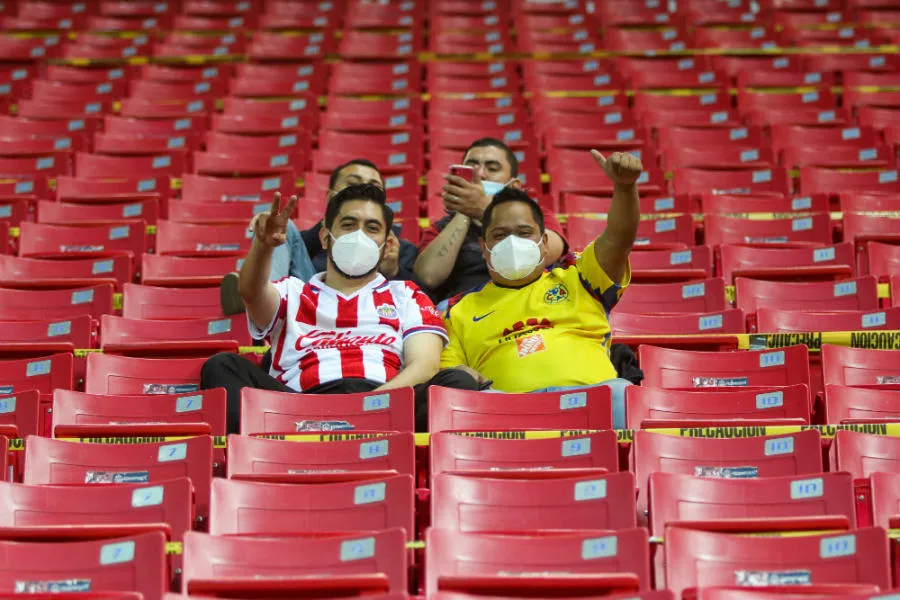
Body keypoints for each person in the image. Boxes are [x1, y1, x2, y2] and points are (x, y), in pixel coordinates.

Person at [202, 183, 478, 433]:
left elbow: (425, 364)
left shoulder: (406, 294)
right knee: (221, 366)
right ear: (324, 237)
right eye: (348, 225)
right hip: (298, 404)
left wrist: (369, 404)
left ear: (387, 245)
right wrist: (263, 247)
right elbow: (251, 292)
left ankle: (343, 426)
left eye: (372, 228)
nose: (359, 236)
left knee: (456, 383)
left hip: (381, 402)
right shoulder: (293, 291)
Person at [440, 150, 643, 429]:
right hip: (507, 412)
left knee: (622, 393)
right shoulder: (457, 310)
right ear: (483, 249)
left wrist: (624, 188)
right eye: (499, 235)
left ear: (545, 242)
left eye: (524, 233)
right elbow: (452, 375)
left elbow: (620, 237)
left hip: (594, 400)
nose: (512, 242)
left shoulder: (581, 278)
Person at [220, 159, 418, 315]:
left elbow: (420, 297)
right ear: (331, 196)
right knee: (283, 228)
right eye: (352, 185)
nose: (361, 191)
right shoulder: (310, 240)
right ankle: (259, 295)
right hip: (311, 308)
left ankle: (252, 295)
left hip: (374, 312)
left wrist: (393, 272)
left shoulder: (402, 248)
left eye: (373, 186)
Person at [414, 138, 568, 308]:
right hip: (468, 311)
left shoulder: (534, 215)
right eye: (471, 168)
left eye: (492, 168)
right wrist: (464, 213)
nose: (480, 174)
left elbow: (550, 251)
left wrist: (485, 210)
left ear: (514, 186)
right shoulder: (441, 228)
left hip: (531, 301)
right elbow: (427, 277)